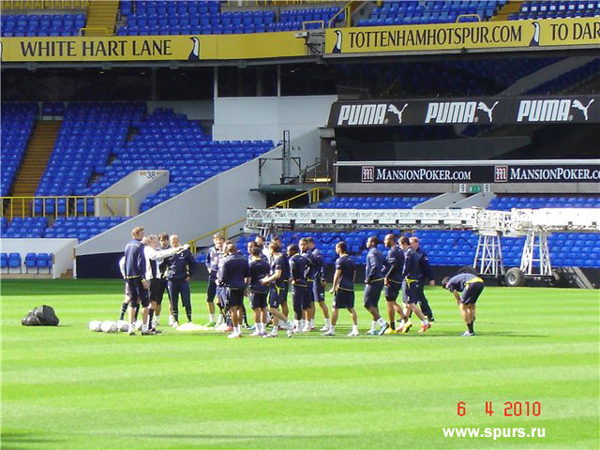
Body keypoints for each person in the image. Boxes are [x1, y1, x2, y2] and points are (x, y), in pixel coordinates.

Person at [143, 234, 186, 334]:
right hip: (151, 279)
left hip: (155, 278)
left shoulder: (151, 250)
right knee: (151, 302)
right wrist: (174, 250)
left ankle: (149, 325)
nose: (156, 243)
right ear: (149, 243)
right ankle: (147, 325)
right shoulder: (148, 250)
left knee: (153, 302)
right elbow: (157, 256)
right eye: (154, 242)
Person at [324, 241, 359, 337]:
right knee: (351, 308)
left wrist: (333, 287)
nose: (335, 250)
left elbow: (337, 275)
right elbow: (354, 274)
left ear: (339, 248)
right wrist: (351, 283)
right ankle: (355, 329)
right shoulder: (351, 260)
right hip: (350, 287)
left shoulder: (340, 260)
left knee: (335, 308)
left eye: (336, 248)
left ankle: (332, 329)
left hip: (341, 287)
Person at [260, 241, 293, 337]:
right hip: (275, 286)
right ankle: (274, 331)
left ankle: (289, 324)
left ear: (272, 249)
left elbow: (277, 274)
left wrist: (266, 280)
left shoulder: (279, 260)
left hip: (277, 286)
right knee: (275, 308)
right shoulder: (277, 258)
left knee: (273, 309)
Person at [400, 236, 431, 334]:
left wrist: (400, 275)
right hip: (413, 279)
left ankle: (425, 322)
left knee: (411, 303)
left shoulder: (408, 254)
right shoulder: (415, 253)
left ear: (404, 244)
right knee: (407, 304)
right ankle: (403, 324)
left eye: (400, 244)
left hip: (408, 279)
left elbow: (405, 269)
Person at [166, 234, 197, 327]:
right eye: (173, 242)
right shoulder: (168, 252)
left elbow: (193, 263)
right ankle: (176, 320)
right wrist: (164, 274)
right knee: (173, 300)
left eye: (176, 241)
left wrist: (190, 274)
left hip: (183, 279)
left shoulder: (185, 252)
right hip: (172, 279)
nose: (174, 243)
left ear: (178, 241)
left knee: (186, 299)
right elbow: (162, 264)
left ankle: (189, 319)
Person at [219, 243, 249, 339]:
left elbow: (222, 276)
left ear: (228, 251)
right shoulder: (244, 259)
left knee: (233, 309)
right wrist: (245, 287)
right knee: (240, 308)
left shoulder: (226, 260)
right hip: (241, 286)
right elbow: (248, 276)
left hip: (231, 287)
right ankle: (239, 329)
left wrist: (219, 281)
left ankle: (236, 331)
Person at [123, 226, 148, 335]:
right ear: (136, 234)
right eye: (141, 233)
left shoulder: (127, 245)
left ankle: (130, 327)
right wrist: (143, 279)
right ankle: (144, 327)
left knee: (132, 303)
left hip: (129, 277)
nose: (143, 235)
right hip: (138, 276)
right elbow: (140, 262)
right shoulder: (140, 246)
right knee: (145, 303)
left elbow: (125, 262)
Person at [383, 233, 410, 334]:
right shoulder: (399, 251)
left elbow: (393, 265)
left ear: (390, 240)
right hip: (398, 279)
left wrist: (387, 277)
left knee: (389, 302)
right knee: (393, 301)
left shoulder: (393, 251)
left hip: (392, 279)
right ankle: (405, 321)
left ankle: (392, 327)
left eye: (385, 240)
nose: (384, 242)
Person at [364, 236, 388, 336]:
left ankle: (383, 323)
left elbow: (374, 266)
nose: (366, 243)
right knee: (374, 304)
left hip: (373, 281)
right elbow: (387, 265)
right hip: (379, 280)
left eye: (368, 241)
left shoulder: (372, 253)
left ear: (373, 243)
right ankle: (373, 328)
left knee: (367, 304)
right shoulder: (379, 252)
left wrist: (369, 278)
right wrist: (381, 273)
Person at [306, 237, 330, 331]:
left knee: (320, 301)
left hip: (317, 279)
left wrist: (323, 278)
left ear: (310, 243)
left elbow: (323, 266)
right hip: (313, 279)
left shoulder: (316, 253)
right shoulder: (311, 253)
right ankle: (311, 323)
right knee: (311, 302)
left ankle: (327, 323)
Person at [246, 246, 270, 337]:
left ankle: (258, 329)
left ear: (251, 254)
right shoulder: (266, 263)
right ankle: (263, 329)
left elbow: (248, 278)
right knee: (264, 308)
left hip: (254, 288)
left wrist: (246, 287)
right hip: (264, 287)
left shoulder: (251, 265)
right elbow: (268, 275)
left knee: (256, 309)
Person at [410, 236, 435, 322]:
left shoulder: (421, 254)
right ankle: (428, 315)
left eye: (412, 243)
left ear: (417, 243)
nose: (410, 245)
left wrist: (431, 278)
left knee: (417, 296)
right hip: (412, 277)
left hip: (419, 278)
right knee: (418, 296)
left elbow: (427, 267)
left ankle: (428, 314)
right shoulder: (410, 253)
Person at [289, 243, 310, 334]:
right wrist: (306, 275)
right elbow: (311, 265)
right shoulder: (304, 258)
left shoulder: (292, 259)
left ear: (293, 251)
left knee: (296, 306)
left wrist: (294, 279)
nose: (287, 252)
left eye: (288, 250)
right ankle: (304, 324)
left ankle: (298, 326)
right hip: (304, 283)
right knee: (304, 305)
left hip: (297, 285)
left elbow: (293, 269)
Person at [204, 233, 225, 327]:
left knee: (219, 300)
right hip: (212, 275)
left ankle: (221, 319)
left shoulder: (225, 251)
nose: (218, 243)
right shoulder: (211, 250)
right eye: (217, 241)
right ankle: (212, 319)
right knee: (209, 298)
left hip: (220, 276)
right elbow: (207, 260)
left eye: (220, 241)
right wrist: (208, 268)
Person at [157, 233, 173, 327]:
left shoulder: (172, 250)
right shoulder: (157, 251)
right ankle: (156, 319)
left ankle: (171, 318)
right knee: (158, 300)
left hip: (170, 278)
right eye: (162, 240)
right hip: (159, 278)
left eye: (165, 240)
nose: (164, 242)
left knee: (171, 299)